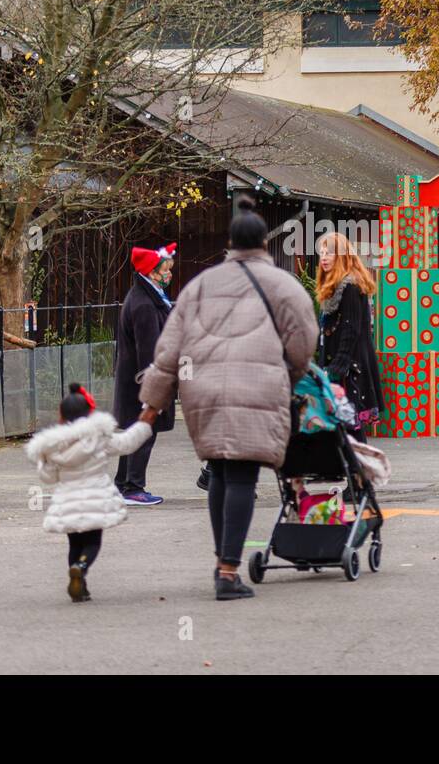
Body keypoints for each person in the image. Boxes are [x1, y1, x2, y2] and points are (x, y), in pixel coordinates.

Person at [138, 203, 318, 601]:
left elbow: (169, 347)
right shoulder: (284, 285)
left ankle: (224, 560)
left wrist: (152, 403)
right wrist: (287, 376)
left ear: (231, 243)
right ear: (264, 243)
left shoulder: (200, 285)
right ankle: (228, 571)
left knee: (219, 470)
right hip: (256, 387)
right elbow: (303, 342)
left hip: (201, 389)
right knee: (241, 476)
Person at [24, 383, 153, 602]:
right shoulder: (99, 437)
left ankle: (78, 581)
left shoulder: (54, 446)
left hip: (68, 502)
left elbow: (48, 478)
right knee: (92, 543)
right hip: (97, 499)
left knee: (74, 543)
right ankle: (81, 567)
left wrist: (42, 461)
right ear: (89, 413)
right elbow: (126, 443)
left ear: (62, 417)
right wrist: (145, 423)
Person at [113, 241, 177, 506]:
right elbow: (148, 349)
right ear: (152, 272)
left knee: (133, 432)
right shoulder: (144, 305)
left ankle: (123, 484)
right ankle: (133, 487)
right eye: (166, 269)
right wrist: (154, 387)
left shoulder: (145, 298)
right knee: (143, 432)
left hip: (134, 382)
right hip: (141, 384)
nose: (169, 274)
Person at [315, 231, 384, 439]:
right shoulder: (333, 289)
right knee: (342, 427)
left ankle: (359, 469)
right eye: (322, 253)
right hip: (337, 365)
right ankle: (354, 469)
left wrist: (338, 365)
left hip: (349, 368)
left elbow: (351, 329)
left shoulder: (351, 287)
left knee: (350, 426)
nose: (324, 258)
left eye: (330, 253)